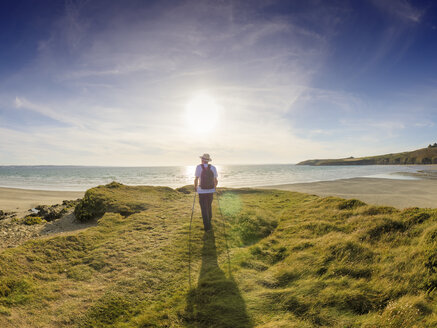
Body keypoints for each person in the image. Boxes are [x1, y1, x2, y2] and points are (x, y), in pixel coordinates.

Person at [194, 153, 218, 231]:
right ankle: (209, 221)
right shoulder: (213, 168)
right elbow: (216, 180)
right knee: (209, 206)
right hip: (210, 190)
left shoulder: (198, 167)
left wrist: (195, 187)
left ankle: (207, 227)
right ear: (208, 161)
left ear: (203, 160)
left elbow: (196, 179)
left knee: (204, 208)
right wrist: (214, 187)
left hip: (202, 191)